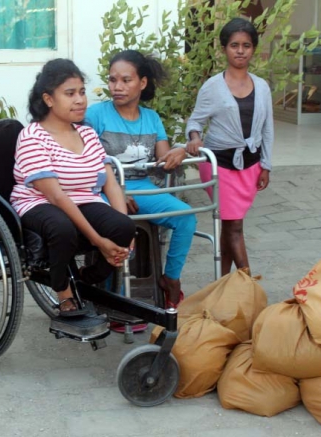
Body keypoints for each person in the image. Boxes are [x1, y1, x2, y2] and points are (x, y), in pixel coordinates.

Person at [10, 58, 136, 317]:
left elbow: (109, 180)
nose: (80, 100)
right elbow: (55, 195)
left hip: (83, 199)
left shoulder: (87, 134)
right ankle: (64, 293)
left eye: (81, 92)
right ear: (48, 99)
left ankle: (84, 278)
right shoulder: (32, 137)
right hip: (38, 202)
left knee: (124, 227)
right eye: (70, 94)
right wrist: (97, 239)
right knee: (62, 227)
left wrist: (123, 228)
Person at [85, 49, 196, 310]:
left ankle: (170, 279)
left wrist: (179, 150)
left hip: (142, 188)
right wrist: (116, 194)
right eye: (113, 80)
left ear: (142, 83)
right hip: (102, 189)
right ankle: (115, 297)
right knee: (115, 221)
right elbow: (87, 164)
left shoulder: (151, 118)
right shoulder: (96, 115)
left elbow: (162, 161)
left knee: (186, 217)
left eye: (126, 80)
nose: (117, 87)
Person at [186, 17, 273, 276]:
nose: (240, 51)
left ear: (253, 49)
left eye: (246, 45)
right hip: (219, 165)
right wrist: (194, 137)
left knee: (229, 225)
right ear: (224, 48)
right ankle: (249, 284)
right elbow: (195, 121)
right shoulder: (213, 87)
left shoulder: (263, 87)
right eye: (234, 45)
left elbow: (267, 128)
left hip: (250, 165)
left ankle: (223, 284)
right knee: (235, 226)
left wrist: (266, 165)